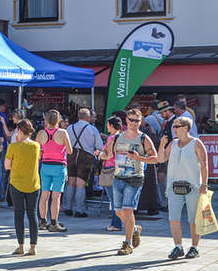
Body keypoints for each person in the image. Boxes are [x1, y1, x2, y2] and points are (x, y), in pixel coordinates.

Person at [100, 108, 157, 256]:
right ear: (126, 120)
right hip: (118, 177)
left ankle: (128, 243)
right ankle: (135, 229)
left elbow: (154, 158)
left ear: (140, 121)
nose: (134, 123)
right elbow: (108, 154)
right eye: (131, 120)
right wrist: (101, 155)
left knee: (127, 210)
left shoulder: (144, 138)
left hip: (135, 178)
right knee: (118, 211)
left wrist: (139, 158)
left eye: (137, 120)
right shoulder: (118, 138)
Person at [157, 116, 209, 260]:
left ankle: (194, 247)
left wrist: (204, 184)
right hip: (174, 186)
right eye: (173, 126)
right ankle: (178, 246)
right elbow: (161, 159)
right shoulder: (172, 144)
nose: (174, 129)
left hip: (193, 186)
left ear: (185, 128)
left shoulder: (196, 143)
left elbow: (204, 165)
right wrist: (161, 145)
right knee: (173, 218)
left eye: (177, 126)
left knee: (193, 219)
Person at [4, 119, 41, 256]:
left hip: (17, 183)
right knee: (32, 214)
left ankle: (20, 245)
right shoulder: (36, 146)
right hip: (33, 183)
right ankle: (33, 247)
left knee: (18, 214)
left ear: (19, 131)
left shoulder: (13, 147)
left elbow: (7, 166)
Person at [35, 109, 72, 232]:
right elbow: (70, 150)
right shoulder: (62, 132)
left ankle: (42, 221)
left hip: (45, 166)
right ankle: (54, 222)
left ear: (46, 120)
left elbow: (36, 150)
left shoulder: (41, 133)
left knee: (44, 195)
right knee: (56, 196)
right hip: (59, 166)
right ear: (58, 120)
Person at [62, 108, 103, 217]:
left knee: (70, 182)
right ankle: (79, 210)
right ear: (88, 117)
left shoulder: (70, 128)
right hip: (86, 157)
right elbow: (99, 146)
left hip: (71, 155)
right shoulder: (92, 129)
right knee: (81, 184)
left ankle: (67, 208)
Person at [101, 116, 123, 232]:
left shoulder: (112, 138)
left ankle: (116, 224)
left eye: (108, 124)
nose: (106, 126)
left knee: (114, 200)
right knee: (117, 199)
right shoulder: (122, 137)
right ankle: (117, 223)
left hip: (110, 169)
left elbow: (109, 155)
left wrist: (100, 155)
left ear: (111, 126)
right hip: (119, 168)